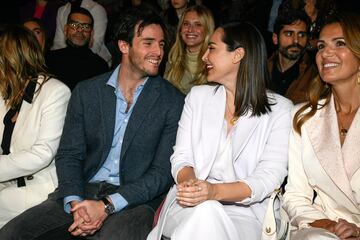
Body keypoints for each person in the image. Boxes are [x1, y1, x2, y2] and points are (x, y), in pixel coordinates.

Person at [0, 7, 184, 240]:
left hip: (135, 198)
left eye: (161, 44)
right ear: (123, 46)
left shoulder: (172, 100)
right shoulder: (87, 92)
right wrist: (74, 201)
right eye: (148, 43)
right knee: (12, 233)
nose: (158, 51)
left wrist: (107, 205)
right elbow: (69, 154)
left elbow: (160, 173)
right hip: (83, 189)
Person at [149, 22, 292, 240]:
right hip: (188, 207)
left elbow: (268, 178)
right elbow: (181, 157)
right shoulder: (197, 98)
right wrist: (192, 185)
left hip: (247, 215)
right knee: (205, 212)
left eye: (212, 48)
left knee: (208, 213)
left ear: (238, 55)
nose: (205, 56)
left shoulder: (280, 110)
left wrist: (213, 192)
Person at [283, 12, 360, 240]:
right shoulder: (303, 117)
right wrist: (330, 225)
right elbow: (295, 196)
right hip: (319, 228)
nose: (326, 53)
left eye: (340, 43)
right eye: (320, 46)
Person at [0, 25, 70, 228]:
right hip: (8, 185)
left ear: (12, 60)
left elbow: (42, 154)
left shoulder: (55, 92)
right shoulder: (6, 91)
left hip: (37, 190)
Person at [46, 7, 108, 90]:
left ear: (91, 33)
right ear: (65, 30)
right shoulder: (49, 59)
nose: (79, 30)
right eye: (74, 25)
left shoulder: (100, 66)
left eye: (85, 27)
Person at [268, 8, 318, 103]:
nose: (296, 40)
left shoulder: (315, 78)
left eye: (301, 35)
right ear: (275, 38)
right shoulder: (260, 69)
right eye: (289, 34)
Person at [164, 5, 214, 94]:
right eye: (186, 24)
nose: (190, 29)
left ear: (207, 30)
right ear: (180, 29)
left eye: (198, 24)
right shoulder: (173, 60)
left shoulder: (214, 62)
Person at [52, 0, 112, 66]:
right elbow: (58, 43)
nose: (79, 29)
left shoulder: (97, 9)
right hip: (65, 60)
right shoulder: (62, 10)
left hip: (95, 61)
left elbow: (96, 45)